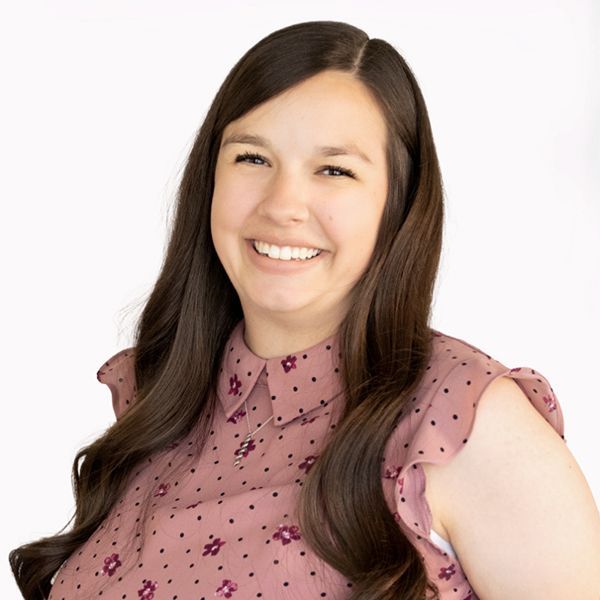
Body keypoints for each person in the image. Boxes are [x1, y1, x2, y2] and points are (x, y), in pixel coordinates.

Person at [9, 20, 600, 600]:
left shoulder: (464, 421)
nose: (284, 204)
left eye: (335, 170)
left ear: (397, 202)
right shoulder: (157, 396)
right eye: (252, 159)